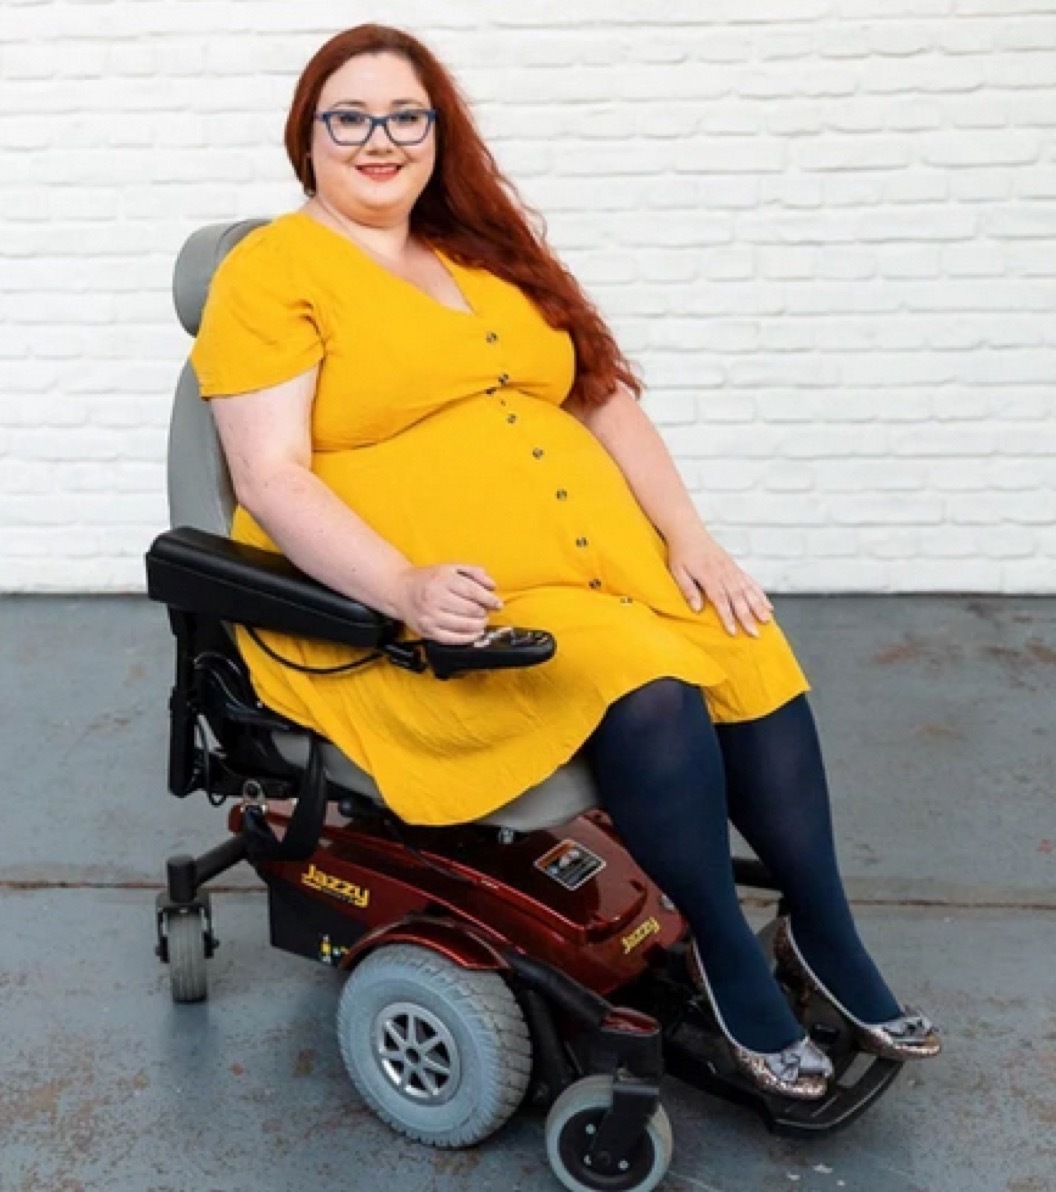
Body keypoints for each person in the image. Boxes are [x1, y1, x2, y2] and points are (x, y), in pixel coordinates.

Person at [189, 23, 941, 1100]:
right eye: (347, 118)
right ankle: (731, 964)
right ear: (305, 134)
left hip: (599, 566)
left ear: (437, 131)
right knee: (644, 680)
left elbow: (602, 394)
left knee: (744, 638)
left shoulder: (478, 249)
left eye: (405, 116)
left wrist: (690, 536)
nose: (378, 140)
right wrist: (402, 584)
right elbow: (271, 478)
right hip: (426, 606)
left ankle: (825, 930)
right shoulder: (274, 272)